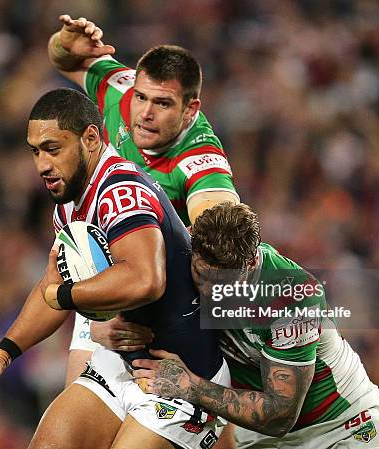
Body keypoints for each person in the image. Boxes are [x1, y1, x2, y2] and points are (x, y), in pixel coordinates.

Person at [0, 88, 230, 449]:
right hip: (121, 366)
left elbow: (145, 279)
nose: (42, 165)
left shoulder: (121, 190)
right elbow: (50, 287)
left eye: (53, 149)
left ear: (90, 138)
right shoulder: (69, 202)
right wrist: (0, 355)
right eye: (35, 151)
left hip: (181, 379)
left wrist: (64, 295)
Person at [47, 14, 240, 387]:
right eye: (142, 98)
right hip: (102, 275)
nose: (146, 114)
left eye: (163, 104)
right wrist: (65, 41)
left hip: (154, 302)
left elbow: (218, 233)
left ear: (191, 110)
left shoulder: (199, 159)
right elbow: (63, 59)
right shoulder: (121, 93)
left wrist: (129, 307)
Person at [128, 202, 379, 449]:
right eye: (200, 275)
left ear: (251, 263)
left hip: (340, 425)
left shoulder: (293, 300)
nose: (209, 292)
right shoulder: (185, 247)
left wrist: (192, 387)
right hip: (257, 436)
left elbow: (279, 416)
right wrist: (107, 321)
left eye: (222, 283)